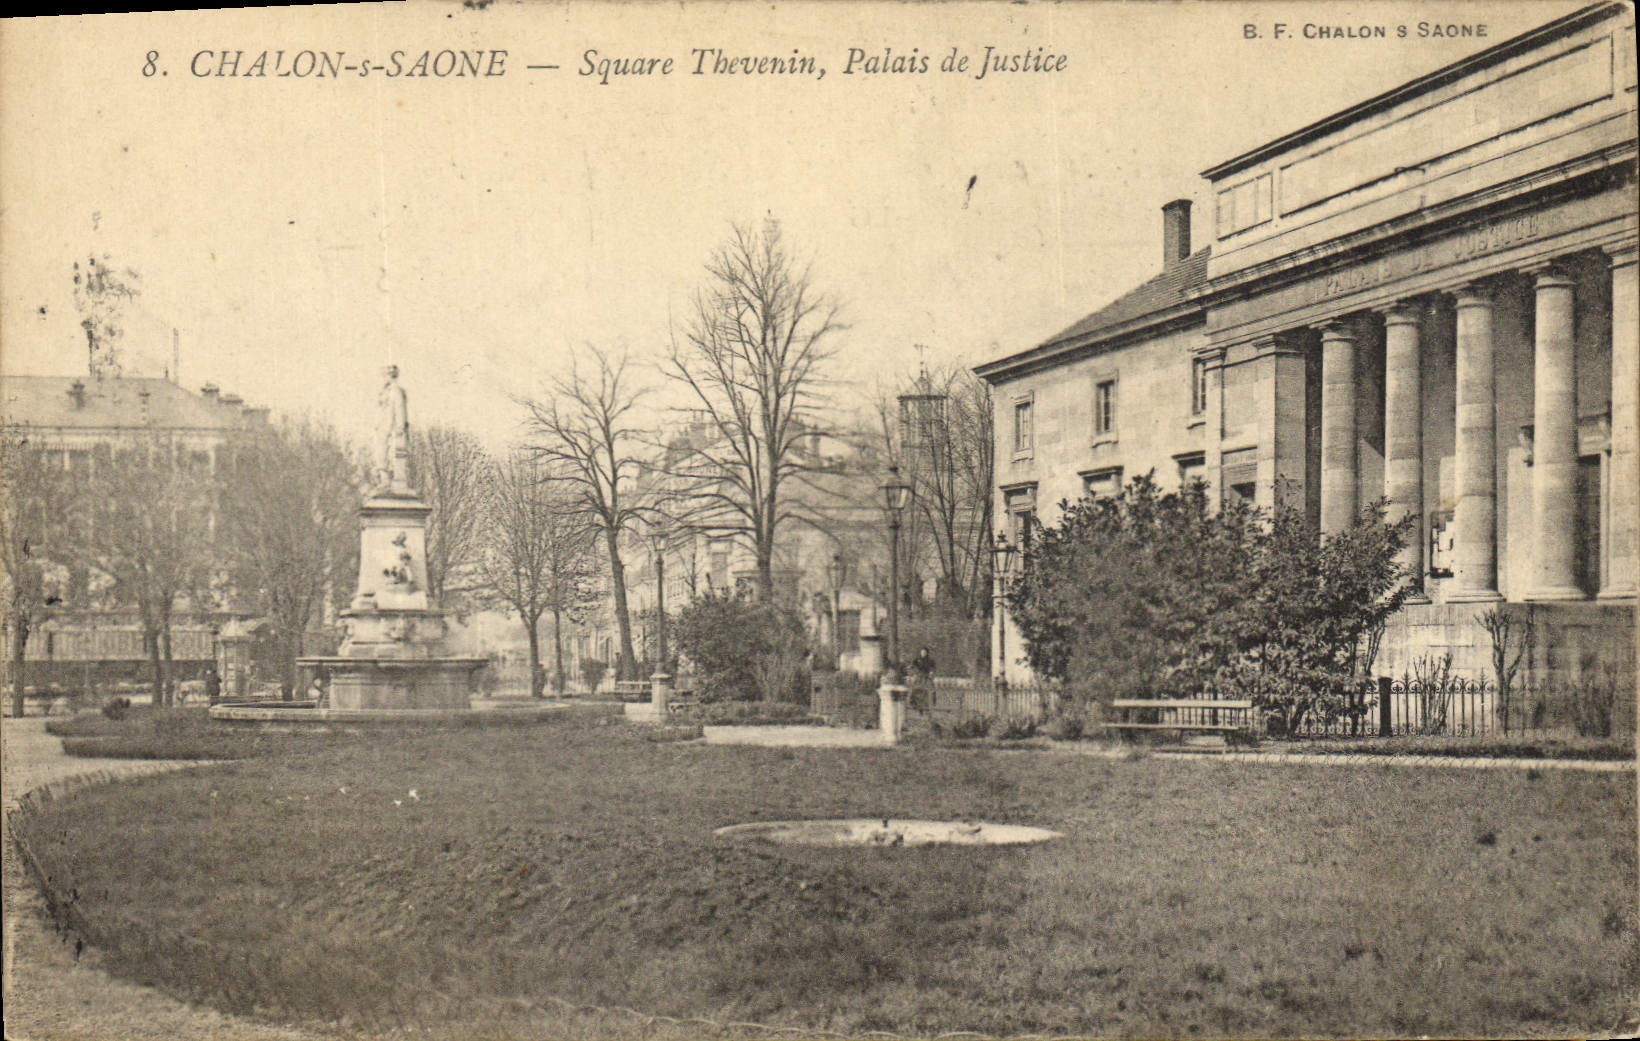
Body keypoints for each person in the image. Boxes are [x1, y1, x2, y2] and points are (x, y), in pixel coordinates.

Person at [909, 647, 936, 712]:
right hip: (918, 677)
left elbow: (932, 668)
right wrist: (914, 673)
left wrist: (931, 672)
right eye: (922, 652)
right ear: (920, 653)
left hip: (926, 677)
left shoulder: (930, 661)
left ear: (927, 653)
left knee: (929, 690)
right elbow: (912, 667)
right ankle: (914, 704)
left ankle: (928, 705)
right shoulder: (916, 660)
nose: (923, 654)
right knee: (915, 690)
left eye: (924, 652)